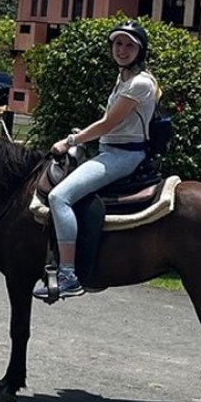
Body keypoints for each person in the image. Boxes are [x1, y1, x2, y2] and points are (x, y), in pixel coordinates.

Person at [34, 21, 159, 301]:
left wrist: (70, 141)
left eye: (129, 45)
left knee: (59, 197)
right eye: (118, 44)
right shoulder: (124, 78)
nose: (122, 50)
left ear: (140, 51)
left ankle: (68, 275)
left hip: (123, 156)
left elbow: (107, 123)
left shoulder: (140, 83)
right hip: (110, 151)